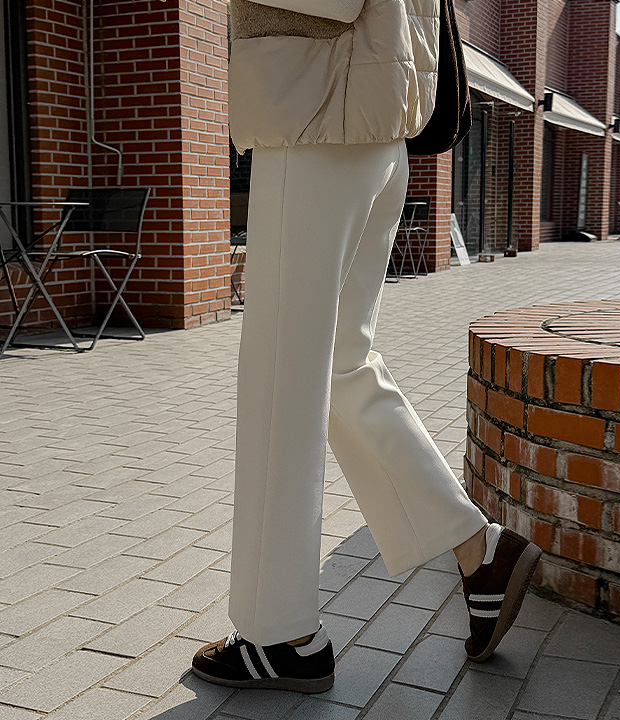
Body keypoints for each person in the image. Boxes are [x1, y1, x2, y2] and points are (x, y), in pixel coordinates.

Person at [188, 0, 542, 693]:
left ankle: (279, 634)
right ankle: (479, 549)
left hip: (314, 115)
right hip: (366, 121)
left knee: (282, 387)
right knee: (337, 368)